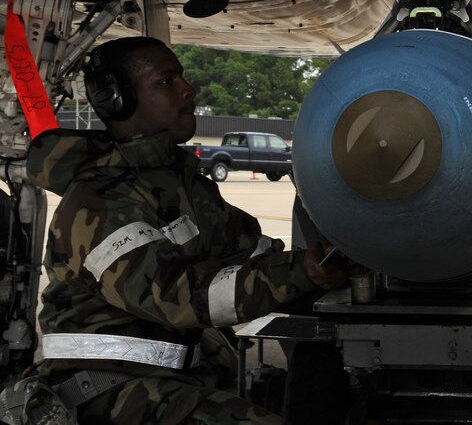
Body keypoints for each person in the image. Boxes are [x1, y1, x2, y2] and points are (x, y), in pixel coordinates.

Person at [23, 36, 353, 424]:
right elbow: (176, 295)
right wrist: (298, 273)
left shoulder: (180, 186)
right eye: (166, 81)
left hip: (165, 384)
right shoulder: (99, 201)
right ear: (119, 99)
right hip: (104, 394)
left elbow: (248, 253)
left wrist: (329, 264)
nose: (188, 89)